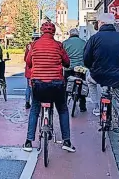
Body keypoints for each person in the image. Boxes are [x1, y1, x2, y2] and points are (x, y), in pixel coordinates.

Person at [83, 12, 119, 140]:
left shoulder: (94, 38)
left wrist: (91, 67)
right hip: (117, 77)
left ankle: (96, 106)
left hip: (98, 76)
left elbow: (86, 59)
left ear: (101, 23)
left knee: (89, 80)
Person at [23, 21, 76, 153]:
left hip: (38, 84)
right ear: (53, 32)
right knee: (62, 109)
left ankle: (28, 142)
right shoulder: (58, 45)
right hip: (56, 84)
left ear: (42, 32)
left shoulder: (34, 44)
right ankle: (67, 141)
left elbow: (28, 62)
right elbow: (67, 62)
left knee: (35, 109)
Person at [62, 28, 87, 112]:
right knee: (82, 85)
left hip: (69, 68)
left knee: (65, 86)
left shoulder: (65, 43)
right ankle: (82, 106)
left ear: (70, 34)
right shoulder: (84, 43)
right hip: (81, 69)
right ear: (78, 34)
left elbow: (62, 56)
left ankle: (64, 104)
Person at [24, 31, 40, 109]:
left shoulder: (28, 46)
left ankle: (27, 102)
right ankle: (35, 102)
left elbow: (25, 58)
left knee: (28, 87)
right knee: (36, 87)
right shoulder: (39, 45)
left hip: (29, 70)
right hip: (37, 70)